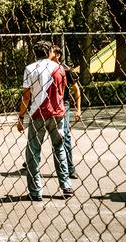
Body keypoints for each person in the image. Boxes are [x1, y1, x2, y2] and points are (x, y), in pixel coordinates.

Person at [17, 41, 72, 201]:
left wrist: (21, 116)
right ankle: (66, 185)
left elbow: (26, 96)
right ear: (49, 52)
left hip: (38, 113)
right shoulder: (59, 68)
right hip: (58, 113)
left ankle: (36, 191)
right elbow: (62, 91)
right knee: (59, 148)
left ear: (35, 53)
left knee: (33, 151)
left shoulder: (30, 68)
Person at [49, 46, 82, 180]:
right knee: (39, 132)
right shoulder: (46, 68)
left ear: (57, 54)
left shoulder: (66, 70)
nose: (47, 54)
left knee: (65, 134)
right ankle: (30, 161)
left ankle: (70, 167)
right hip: (48, 104)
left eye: (50, 52)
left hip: (63, 104)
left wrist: (78, 109)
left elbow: (76, 90)